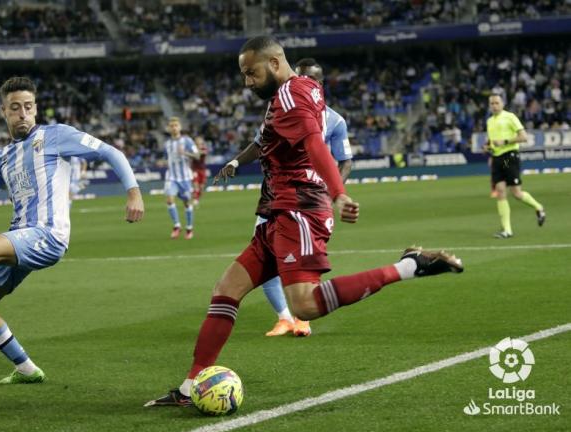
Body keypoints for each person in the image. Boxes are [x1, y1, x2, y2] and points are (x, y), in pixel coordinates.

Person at [144, 37, 463, 407]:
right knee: (226, 289)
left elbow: (314, 144)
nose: (247, 82)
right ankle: (189, 388)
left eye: (252, 73)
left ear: (276, 63)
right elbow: (270, 142)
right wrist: (237, 160)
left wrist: (339, 192)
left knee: (306, 306)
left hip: (299, 210)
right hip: (279, 211)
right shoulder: (297, 92)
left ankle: (410, 266)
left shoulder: (291, 96)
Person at [0, 77, 144, 384]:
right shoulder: (1, 158)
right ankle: (27, 369)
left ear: (36, 109)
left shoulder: (57, 136)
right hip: (22, 236)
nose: (22, 113)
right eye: (15, 108)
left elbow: (112, 153)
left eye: (28, 107)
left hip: (48, 234)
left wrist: (133, 192)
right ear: (4, 112)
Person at [260, 57, 354, 337]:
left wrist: (332, 192)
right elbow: (259, 142)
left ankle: (301, 317)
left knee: (298, 262)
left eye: (310, 78)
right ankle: (284, 317)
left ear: (320, 84)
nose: (301, 82)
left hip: (308, 198)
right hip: (274, 192)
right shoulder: (280, 105)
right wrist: (237, 163)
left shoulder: (335, 120)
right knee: (267, 257)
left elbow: (344, 160)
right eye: (298, 76)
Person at [484, 94, 545, 238]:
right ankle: (507, 230)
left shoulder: (510, 117)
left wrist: (505, 142)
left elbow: (524, 137)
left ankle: (539, 207)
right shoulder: (489, 121)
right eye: (491, 103)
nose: (494, 105)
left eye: (496, 103)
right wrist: (488, 147)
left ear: (502, 103)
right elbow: (492, 141)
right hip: (497, 158)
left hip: (509, 156)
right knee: (500, 191)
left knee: (516, 193)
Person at [164, 117, 199, 239]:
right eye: (171, 126)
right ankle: (177, 226)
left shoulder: (187, 141)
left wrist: (185, 153)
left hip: (184, 178)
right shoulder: (167, 144)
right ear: (169, 128)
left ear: (180, 127)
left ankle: (189, 228)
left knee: (187, 202)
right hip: (171, 177)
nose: (174, 127)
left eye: (176, 125)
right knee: (169, 199)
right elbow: (166, 158)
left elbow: (197, 155)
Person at [191, 136, 208, 206]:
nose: (199, 144)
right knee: (196, 185)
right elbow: (193, 155)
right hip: (195, 169)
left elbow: (203, 153)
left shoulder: (204, 148)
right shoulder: (192, 149)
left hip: (202, 170)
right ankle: (195, 199)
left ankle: (196, 198)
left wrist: (197, 152)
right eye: (197, 142)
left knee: (201, 187)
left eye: (200, 142)